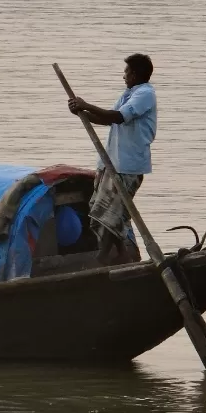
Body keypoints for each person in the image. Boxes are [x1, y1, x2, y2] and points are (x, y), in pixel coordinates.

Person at [67, 53, 157, 265]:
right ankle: (123, 256)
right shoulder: (128, 94)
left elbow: (117, 116)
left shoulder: (145, 94)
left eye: (126, 71)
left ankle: (101, 258)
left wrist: (86, 105)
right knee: (105, 211)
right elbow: (108, 120)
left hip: (128, 165)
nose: (124, 75)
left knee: (111, 214)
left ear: (135, 74)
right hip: (111, 162)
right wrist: (81, 113)